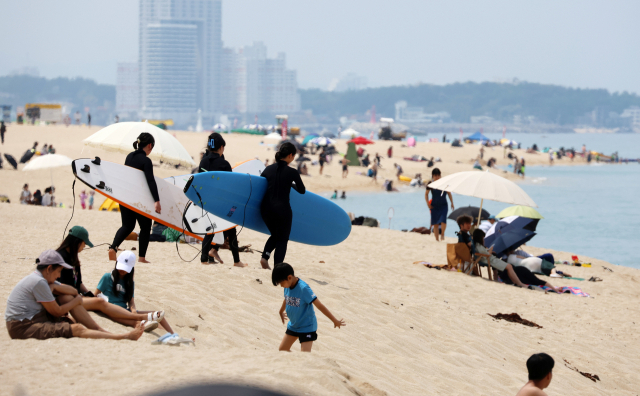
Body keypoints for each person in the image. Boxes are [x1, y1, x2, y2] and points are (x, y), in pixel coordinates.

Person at [5, 249, 144, 341]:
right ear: (49, 269)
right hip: (22, 326)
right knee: (77, 328)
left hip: (31, 318)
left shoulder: (43, 279)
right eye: (58, 272)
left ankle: (99, 330)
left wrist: (56, 287)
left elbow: (72, 291)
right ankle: (122, 336)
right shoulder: (39, 283)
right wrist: (77, 301)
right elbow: (58, 310)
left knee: (67, 302)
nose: (59, 275)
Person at [55, 227, 165, 333]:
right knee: (101, 302)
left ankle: (142, 323)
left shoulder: (73, 257)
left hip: (75, 296)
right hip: (65, 299)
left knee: (100, 302)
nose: (84, 247)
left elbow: (78, 283)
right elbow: (60, 286)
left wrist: (87, 293)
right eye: (84, 244)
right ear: (78, 242)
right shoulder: (60, 257)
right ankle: (140, 318)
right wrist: (78, 295)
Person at [108, 133, 160, 263]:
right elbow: (150, 181)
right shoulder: (146, 161)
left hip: (125, 197)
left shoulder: (129, 156)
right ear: (149, 145)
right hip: (138, 200)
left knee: (127, 225)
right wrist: (156, 200)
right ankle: (142, 257)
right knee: (146, 226)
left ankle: (113, 247)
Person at [198, 133, 247, 267]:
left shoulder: (204, 161)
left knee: (210, 230)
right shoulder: (224, 164)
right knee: (230, 230)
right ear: (221, 147)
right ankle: (237, 261)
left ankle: (203, 258)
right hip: (222, 202)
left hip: (208, 201)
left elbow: (199, 181)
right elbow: (231, 186)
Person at [96, 251, 174, 335]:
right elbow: (95, 294)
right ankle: (142, 324)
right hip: (110, 309)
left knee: (159, 315)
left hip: (125, 311)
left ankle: (173, 335)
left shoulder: (130, 283)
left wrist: (134, 313)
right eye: (121, 267)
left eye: (125, 268)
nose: (122, 270)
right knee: (146, 319)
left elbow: (131, 302)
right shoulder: (107, 277)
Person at [272, 263, 345, 352]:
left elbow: (319, 306)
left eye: (281, 283)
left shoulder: (304, 289)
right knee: (283, 350)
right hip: (293, 325)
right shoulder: (287, 285)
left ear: (289, 277)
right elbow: (287, 299)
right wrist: (281, 311)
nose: (281, 286)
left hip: (307, 327)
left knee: (304, 356)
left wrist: (334, 320)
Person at [260, 142, 306, 269]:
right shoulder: (292, 172)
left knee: (275, 235)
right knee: (282, 239)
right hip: (282, 210)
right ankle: (277, 268)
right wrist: (290, 184)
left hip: (265, 209)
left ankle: (265, 257)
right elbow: (302, 190)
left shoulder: (267, 169)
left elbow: (261, 185)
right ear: (291, 155)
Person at [473, 230, 561, 292]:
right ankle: (521, 284)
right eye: (483, 238)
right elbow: (487, 255)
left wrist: (490, 251)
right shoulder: (479, 247)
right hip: (519, 270)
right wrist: (490, 251)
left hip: (518, 271)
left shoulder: (480, 247)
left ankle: (554, 288)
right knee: (535, 280)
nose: (483, 240)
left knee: (535, 280)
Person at [426, 168, 454, 242]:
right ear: (432, 176)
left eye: (438, 175)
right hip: (434, 205)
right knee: (435, 223)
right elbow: (426, 194)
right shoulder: (430, 184)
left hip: (443, 205)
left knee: (443, 220)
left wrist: (452, 203)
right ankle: (436, 239)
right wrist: (428, 204)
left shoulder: (444, 183)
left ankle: (442, 234)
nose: (437, 177)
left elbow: (449, 193)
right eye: (435, 176)